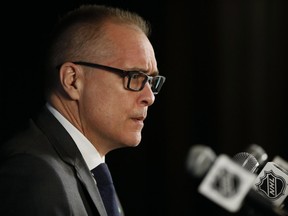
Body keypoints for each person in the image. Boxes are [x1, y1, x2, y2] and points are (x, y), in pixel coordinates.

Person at [0, 4, 166, 216]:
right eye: (134, 77)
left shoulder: (87, 173)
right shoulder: (35, 175)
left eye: (152, 81)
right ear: (72, 80)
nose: (149, 97)